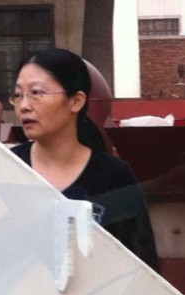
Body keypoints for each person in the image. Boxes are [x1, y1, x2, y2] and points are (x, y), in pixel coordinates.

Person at [10, 48, 160, 271]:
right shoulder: (9, 166)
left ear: (76, 101)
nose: (24, 106)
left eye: (36, 93)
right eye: (18, 95)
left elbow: (144, 268)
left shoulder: (114, 177)